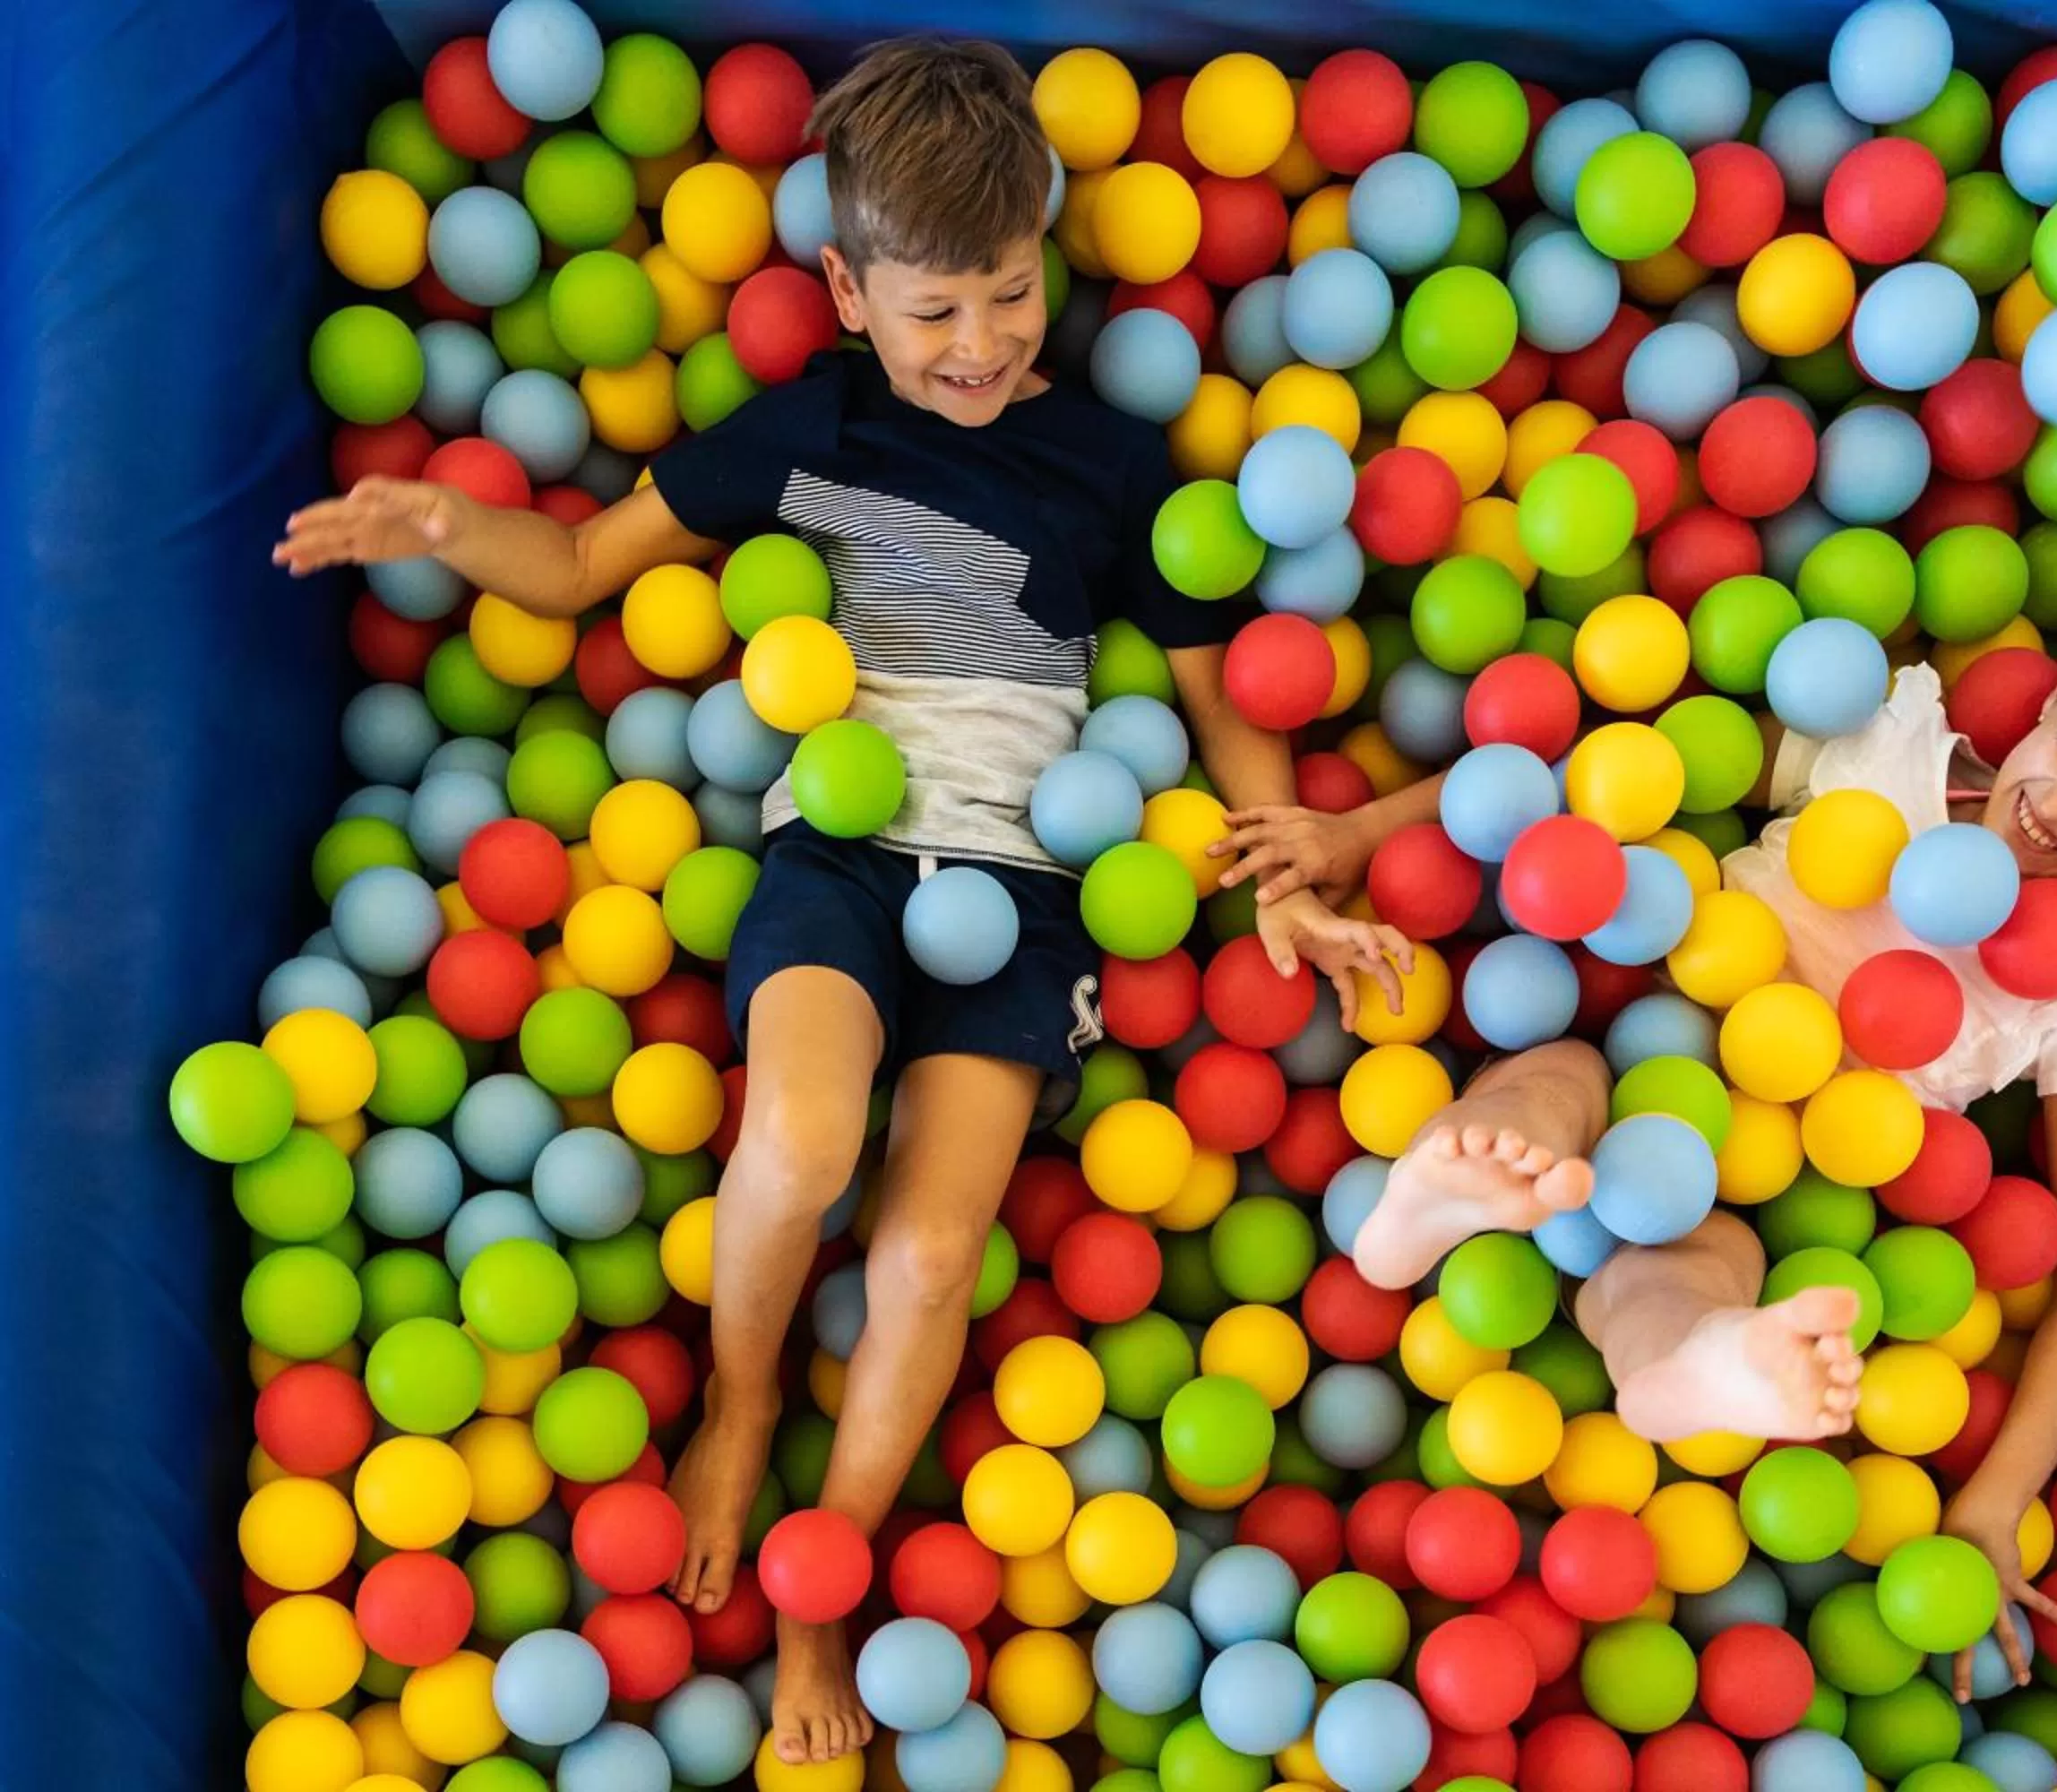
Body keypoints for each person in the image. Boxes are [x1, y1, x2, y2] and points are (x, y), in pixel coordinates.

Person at [279, 38, 1410, 1766]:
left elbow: (1216, 705)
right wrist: (446, 519)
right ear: (848, 293)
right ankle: (741, 1404)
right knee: (801, 1147)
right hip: (841, 866)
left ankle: (828, 1579)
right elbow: (585, 564)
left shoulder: (1109, 468)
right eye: (937, 311)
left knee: (935, 1252)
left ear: (1050, 261)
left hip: (1029, 893)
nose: (978, 347)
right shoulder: (812, 428)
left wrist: (1291, 871)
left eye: (1011, 297)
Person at [1210, 602, 2057, 1700]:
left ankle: (1694, 1367)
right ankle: (1449, 1185)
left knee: (1684, 1268)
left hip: (1767, 1170)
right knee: (1557, 1082)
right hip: (1637, 1016)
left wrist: (1988, 1510)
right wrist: (1360, 831)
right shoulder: (1882, 746)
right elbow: (1605, 777)